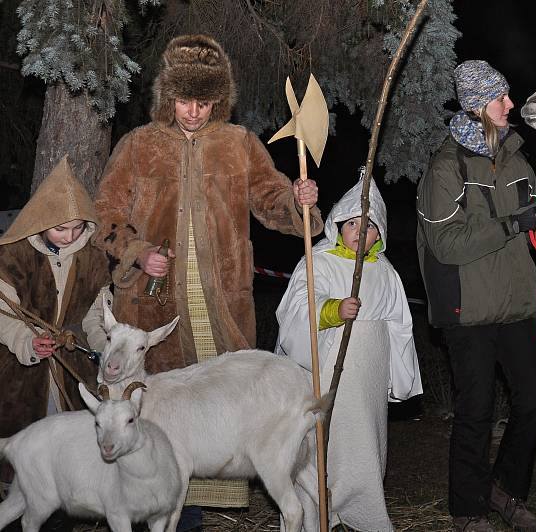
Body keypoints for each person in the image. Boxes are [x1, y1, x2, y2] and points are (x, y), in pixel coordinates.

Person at [93, 34, 323, 529]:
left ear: (219, 101)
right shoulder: (139, 146)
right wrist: (139, 252)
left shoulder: (238, 144)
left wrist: (297, 202)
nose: (193, 112)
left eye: (204, 102)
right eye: (183, 100)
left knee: (218, 410)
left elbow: (270, 198)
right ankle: (164, 513)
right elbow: (105, 214)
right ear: (166, 97)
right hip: (154, 305)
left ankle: (196, 511)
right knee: (154, 413)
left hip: (220, 302)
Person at [416, 60, 536, 532]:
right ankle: (467, 509)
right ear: (479, 105)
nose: (511, 105)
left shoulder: (517, 158)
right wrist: (511, 224)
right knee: (475, 412)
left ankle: (505, 490)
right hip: (469, 311)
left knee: (535, 401)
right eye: (502, 98)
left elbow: (532, 225)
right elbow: (446, 243)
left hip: (517, 303)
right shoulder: (445, 168)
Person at [276, 177, 423, 531]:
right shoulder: (319, 261)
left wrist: (397, 378)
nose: (360, 230)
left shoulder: (386, 273)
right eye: (352, 222)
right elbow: (296, 309)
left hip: (366, 381)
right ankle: (313, 516)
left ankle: (363, 509)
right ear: (338, 226)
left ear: (380, 234)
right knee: (317, 448)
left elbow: (400, 326)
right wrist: (332, 311)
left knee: (362, 446)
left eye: (369, 225)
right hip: (325, 373)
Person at [0, 155, 111, 490]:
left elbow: (96, 316)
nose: (70, 236)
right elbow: (2, 313)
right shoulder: (14, 255)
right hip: (21, 369)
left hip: (73, 362)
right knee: (24, 448)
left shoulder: (93, 259)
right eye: (61, 228)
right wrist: (26, 341)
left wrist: (107, 350)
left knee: (70, 448)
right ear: (41, 220)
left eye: (78, 228)